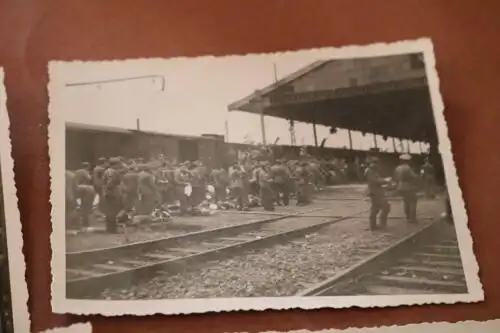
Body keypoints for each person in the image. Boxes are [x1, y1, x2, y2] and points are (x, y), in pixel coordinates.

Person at [365, 156, 391, 230]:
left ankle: (374, 226)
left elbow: (376, 180)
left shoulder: (372, 171)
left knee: (375, 209)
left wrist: (384, 181)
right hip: (375, 193)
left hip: (377, 192)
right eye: (376, 163)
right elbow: (374, 181)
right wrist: (385, 180)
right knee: (385, 207)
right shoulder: (369, 171)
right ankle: (380, 225)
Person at [393, 154, 419, 224]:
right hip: (408, 186)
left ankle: (407, 217)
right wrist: (417, 176)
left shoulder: (397, 168)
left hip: (400, 186)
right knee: (413, 202)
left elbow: (395, 177)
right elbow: (413, 176)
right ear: (407, 161)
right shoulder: (408, 168)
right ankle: (412, 218)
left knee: (406, 202)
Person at [102, 158, 123, 233]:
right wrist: (110, 191)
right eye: (119, 164)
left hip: (109, 192)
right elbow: (110, 183)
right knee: (112, 212)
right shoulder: (112, 172)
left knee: (110, 212)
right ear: (115, 164)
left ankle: (110, 228)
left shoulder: (107, 171)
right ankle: (112, 229)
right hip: (112, 193)